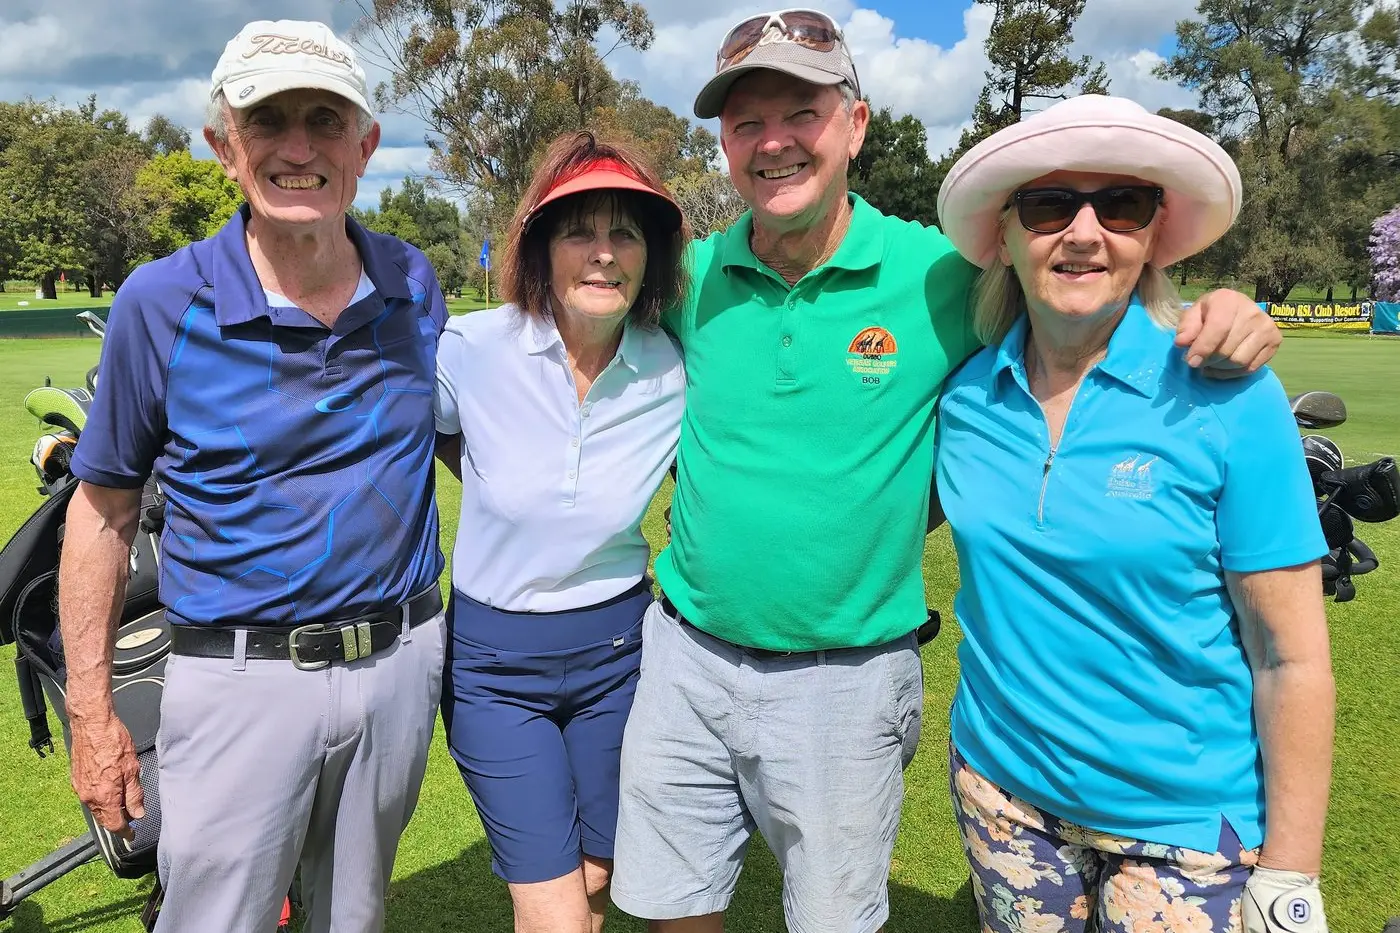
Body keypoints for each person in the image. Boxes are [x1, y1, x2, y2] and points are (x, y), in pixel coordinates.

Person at [609, 9, 1289, 933]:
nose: (773, 142)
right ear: (725, 142)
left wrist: (1222, 310)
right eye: (745, 120)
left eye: (801, 111)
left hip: (844, 675)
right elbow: (569, 327)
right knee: (672, 907)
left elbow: (1081, 307)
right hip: (685, 653)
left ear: (855, 124)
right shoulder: (689, 276)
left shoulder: (941, 277)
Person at [58, 20, 449, 932]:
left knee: (352, 918)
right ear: (224, 146)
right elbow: (103, 511)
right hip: (237, 679)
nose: (299, 147)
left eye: (325, 118)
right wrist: (91, 713)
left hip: (396, 667)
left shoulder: (411, 280)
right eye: (269, 120)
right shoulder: (161, 301)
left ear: (366, 145)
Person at [931, 94, 1335, 933]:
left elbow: (1289, 657)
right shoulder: (966, 396)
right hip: (1003, 794)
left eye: (1120, 204)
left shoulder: (1228, 393)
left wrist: (1291, 873)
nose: (1084, 232)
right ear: (1004, 237)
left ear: (1152, 231)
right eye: (1048, 205)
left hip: (1184, 826)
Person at [433, 132, 688, 933]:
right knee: (552, 907)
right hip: (495, 669)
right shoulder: (472, 349)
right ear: (540, 246)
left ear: (652, 256)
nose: (604, 254)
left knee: (596, 875)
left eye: (626, 233)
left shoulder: (672, 367)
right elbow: (433, 434)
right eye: (580, 230)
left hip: (621, 658)